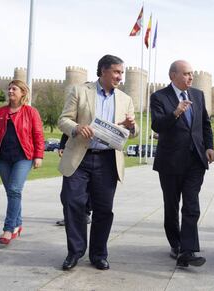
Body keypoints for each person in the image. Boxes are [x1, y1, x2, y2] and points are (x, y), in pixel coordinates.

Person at [58, 54, 138, 271]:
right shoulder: (80, 91)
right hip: (80, 159)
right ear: (103, 71)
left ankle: (98, 254)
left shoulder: (125, 100)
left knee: (104, 209)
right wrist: (75, 128)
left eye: (122, 72)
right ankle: (74, 252)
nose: (120, 77)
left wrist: (131, 126)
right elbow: (63, 119)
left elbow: (133, 132)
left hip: (107, 161)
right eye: (116, 72)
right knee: (73, 203)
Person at [150, 60, 214, 268]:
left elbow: (205, 124)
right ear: (173, 76)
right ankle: (176, 244)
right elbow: (157, 125)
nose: (190, 77)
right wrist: (176, 112)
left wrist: (209, 146)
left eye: (191, 73)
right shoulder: (159, 97)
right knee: (172, 207)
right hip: (170, 162)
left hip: (195, 160)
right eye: (186, 74)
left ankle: (188, 250)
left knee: (191, 205)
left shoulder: (198, 95)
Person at [0, 79, 44, 245]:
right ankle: (18, 224)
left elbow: (38, 135)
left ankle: (8, 229)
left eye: (14, 89)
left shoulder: (31, 112)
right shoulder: (1, 111)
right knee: (12, 192)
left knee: (14, 189)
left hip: (23, 157)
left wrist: (38, 155)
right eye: (9, 89)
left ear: (23, 92)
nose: (10, 91)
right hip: (3, 157)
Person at [55, 133, 91, 226]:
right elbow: (67, 129)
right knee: (67, 193)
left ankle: (85, 214)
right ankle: (69, 217)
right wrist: (62, 146)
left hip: (92, 153)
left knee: (88, 190)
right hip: (73, 154)